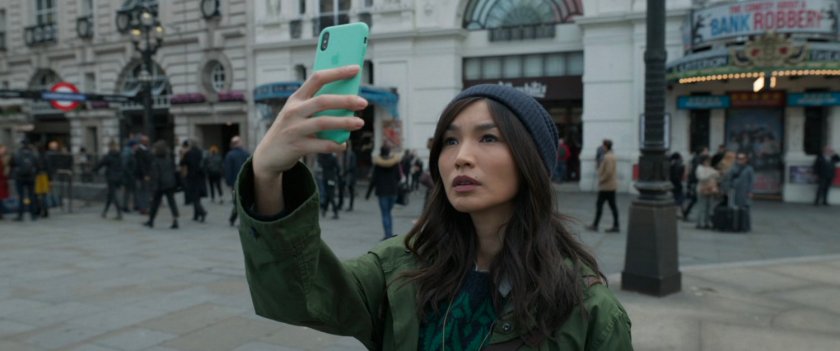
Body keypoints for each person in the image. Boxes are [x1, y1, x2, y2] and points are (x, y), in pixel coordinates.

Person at [235, 67, 631, 350]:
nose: (461, 157)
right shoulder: (400, 268)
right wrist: (267, 173)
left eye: (488, 138)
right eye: (449, 141)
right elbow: (300, 296)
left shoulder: (588, 311)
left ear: (532, 161)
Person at [365, 145, 401, 240]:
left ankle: (387, 234)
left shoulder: (378, 164)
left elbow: (373, 179)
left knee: (385, 213)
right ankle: (390, 233)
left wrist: (368, 194)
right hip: (393, 191)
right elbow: (399, 177)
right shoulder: (395, 163)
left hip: (382, 192)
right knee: (389, 212)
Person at [144, 140, 179, 229]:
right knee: (172, 202)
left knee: (155, 203)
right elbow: (173, 170)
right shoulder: (168, 159)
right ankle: (175, 220)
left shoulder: (155, 161)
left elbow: (156, 175)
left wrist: (153, 188)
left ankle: (151, 221)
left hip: (160, 184)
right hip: (170, 183)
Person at [587, 139, 620, 233]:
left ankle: (596, 225)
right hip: (610, 186)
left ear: (606, 146)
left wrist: (601, 180)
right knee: (612, 206)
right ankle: (615, 225)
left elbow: (608, 172)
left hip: (606, 186)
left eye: (603, 145)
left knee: (600, 205)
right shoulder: (612, 155)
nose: (602, 147)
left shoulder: (608, 157)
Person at [93, 140, 124, 220]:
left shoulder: (108, 156)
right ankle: (105, 212)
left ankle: (119, 212)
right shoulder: (119, 155)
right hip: (119, 177)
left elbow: (100, 164)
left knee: (113, 195)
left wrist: (94, 170)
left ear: (109, 147)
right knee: (110, 195)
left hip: (111, 177)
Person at [11, 140, 41, 221]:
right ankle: (33, 214)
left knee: (21, 197)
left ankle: (20, 215)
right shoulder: (33, 154)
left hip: (19, 178)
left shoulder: (17, 153)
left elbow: (12, 164)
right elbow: (38, 166)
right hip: (31, 178)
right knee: (31, 196)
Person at [223, 136, 250, 226]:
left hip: (235, 182)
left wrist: (228, 182)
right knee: (245, 200)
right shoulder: (246, 153)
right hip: (246, 181)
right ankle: (236, 218)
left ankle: (233, 218)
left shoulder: (230, 155)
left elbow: (228, 170)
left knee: (237, 201)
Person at [725, 153, 755, 231]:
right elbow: (729, 178)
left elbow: (751, 181)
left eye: (742, 159)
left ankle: (744, 225)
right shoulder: (734, 168)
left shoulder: (749, 169)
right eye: (739, 158)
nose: (740, 160)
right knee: (734, 208)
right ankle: (735, 225)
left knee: (745, 208)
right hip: (734, 191)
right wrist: (728, 187)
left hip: (744, 191)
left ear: (746, 160)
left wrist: (750, 191)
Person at [180, 139, 207, 222]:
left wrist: (183, 154)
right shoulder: (200, 152)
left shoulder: (189, 153)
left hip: (192, 177)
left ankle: (202, 212)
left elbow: (182, 163)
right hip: (200, 177)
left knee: (194, 197)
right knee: (197, 196)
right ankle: (196, 215)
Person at [682, 146, 708, 220]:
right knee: (695, 199)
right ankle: (687, 213)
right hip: (695, 181)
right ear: (702, 152)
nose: (707, 152)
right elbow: (696, 171)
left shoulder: (696, 158)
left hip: (694, 181)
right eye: (706, 151)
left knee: (694, 199)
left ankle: (686, 212)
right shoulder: (698, 159)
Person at [695, 155, 719, 230]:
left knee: (709, 207)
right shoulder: (699, 168)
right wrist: (711, 174)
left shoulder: (711, 168)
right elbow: (702, 178)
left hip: (710, 189)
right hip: (702, 189)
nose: (708, 162)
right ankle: (700, 223)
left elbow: (717, 176)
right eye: (707, 161)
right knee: (702, 207)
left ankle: (707, 222)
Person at [317, 152, 341, 219]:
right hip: (331, 178)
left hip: (325, 178)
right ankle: (331, 210)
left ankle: (327, 210)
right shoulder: (333, 158)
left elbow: (319, 162)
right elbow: (338, 167)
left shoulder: (322, 157)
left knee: (329, 194)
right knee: (330, 194)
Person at [134, 135, 153, 214]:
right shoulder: (139, 151)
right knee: (144, 192)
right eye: (146, 141)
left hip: (147, 174)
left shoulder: (147, 149)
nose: (148, 142)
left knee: (146, 191)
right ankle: (143, 208)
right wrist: (145, 174)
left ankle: (144, 207)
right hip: (142, 175)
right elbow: (141, 164)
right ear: (143, 142)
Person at [338, 142, 357, 211]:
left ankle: (350, 206)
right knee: (341, 190)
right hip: (342, 175)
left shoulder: (351, 154)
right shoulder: (341, 154)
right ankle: (340, 204)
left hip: (350, 175)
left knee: (351, 190)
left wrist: (345, 171)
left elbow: (353, 166)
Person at [121, 140, 137, 213]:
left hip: (129, 175)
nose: (136, 146)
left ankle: (128, 206)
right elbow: (125, 166)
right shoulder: (128, 153)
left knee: (129, 192)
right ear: (133, 145)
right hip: (128, 176)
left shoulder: (129, 152)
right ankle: (125, 207)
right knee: (127, 192)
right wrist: (130, 174)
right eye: (135, 145)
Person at [669, 152, 685, 216]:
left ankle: (676, 211)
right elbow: (679, 175)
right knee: (680, 198)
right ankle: (678, 212)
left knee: (676, 197)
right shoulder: (679, 164)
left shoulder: (670, 164)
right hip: (677, 184)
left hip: (672, 184)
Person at [0, 145, 10, 219]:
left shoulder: (6, 158)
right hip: (1, 180)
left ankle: (1, 213)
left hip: (3, 180)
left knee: (1, 198)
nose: (4, 151)